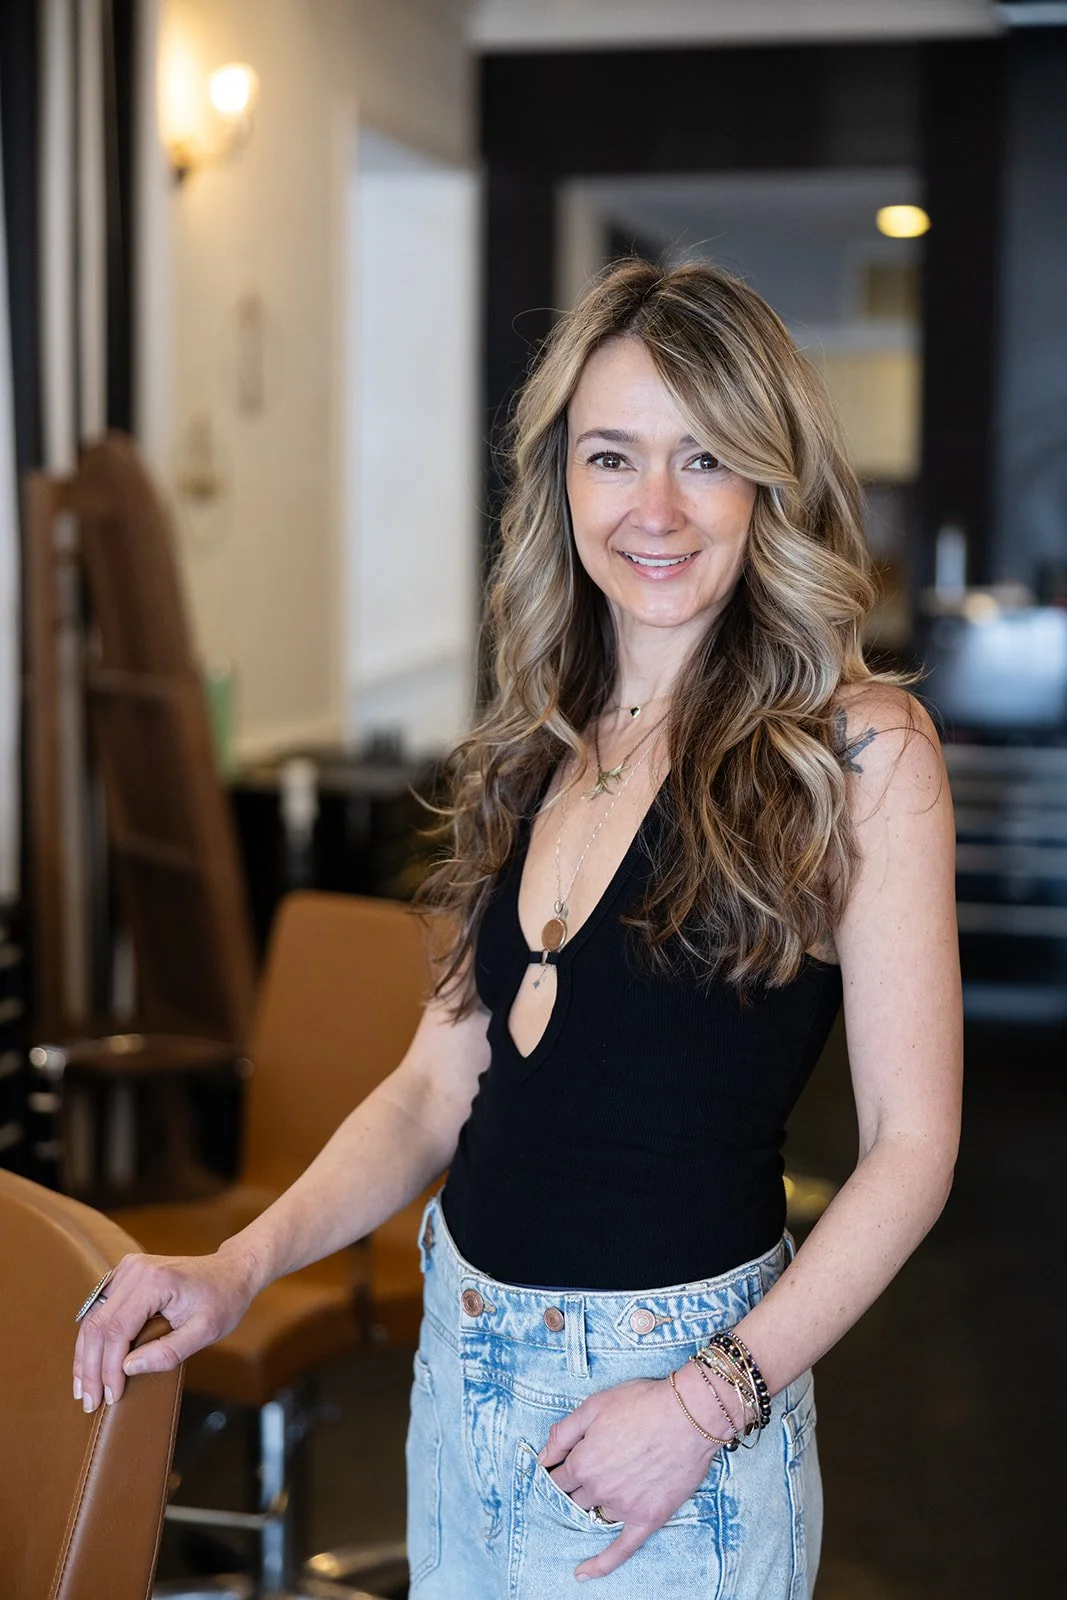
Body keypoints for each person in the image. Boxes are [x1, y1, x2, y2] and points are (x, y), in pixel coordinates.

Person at [72, 261, 962, 1598]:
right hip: (461, 1370)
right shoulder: (531, 743)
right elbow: (437, 1090)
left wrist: (707, 1403)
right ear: (561, 481)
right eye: (612, 457)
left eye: (703, 458)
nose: (651, 509)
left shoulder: (853, 752)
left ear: (767, 485)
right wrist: (239, 1267)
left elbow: (913, 1146)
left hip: (675, 1411)